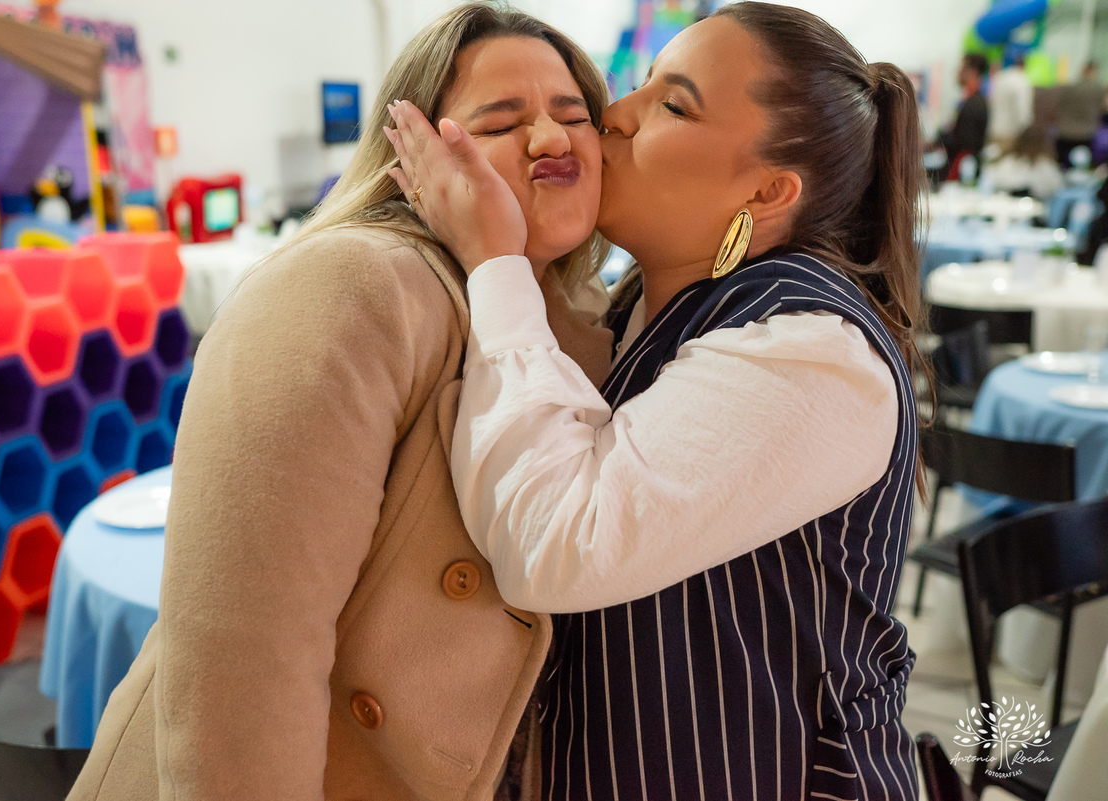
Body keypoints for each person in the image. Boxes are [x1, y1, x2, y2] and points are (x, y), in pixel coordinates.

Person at [66, 5, 613, 800]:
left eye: (574, 116)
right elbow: (242, 675)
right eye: (501, 121)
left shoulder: (586, 317)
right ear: (413, 152)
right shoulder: (356, 287)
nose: (552, 139)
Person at [386, 2, 924, 798]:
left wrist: (494, 263)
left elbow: (554, 544)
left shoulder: (814, 352)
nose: (614, 115)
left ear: (768, 191)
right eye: (639, 87)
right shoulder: (640, 307)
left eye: (672, 104)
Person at [983, 123, 1063, 199]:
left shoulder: (1046, 165)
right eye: (1029, 142)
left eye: (1034, 143)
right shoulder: (1008, 162)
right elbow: (997, 184)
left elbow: (1056, 188)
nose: (1031, 147)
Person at [942, 52, 989, 177]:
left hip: (962, 166)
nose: (958, 72)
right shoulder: (969, 100)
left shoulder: (975, 104)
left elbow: (965, 142)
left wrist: (941, 138)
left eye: (962, 68)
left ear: (973, 71)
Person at [1057, 61, 1106, 168]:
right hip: (1086, 133)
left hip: (1065, 131)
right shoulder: (1098, 89)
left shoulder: (1069, 87)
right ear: (1093, 72)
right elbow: (1103, 107)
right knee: (1080, 166)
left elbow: (1060, 105)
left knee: (1062, 166)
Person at [987, 52, 1034, 151]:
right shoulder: (1022, 81)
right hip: (1011, 136)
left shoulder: (998, 78)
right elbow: (1023, 113)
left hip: (993, 132)